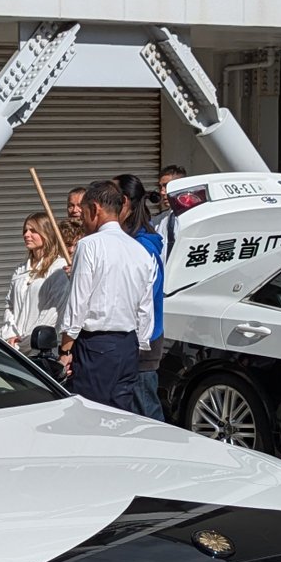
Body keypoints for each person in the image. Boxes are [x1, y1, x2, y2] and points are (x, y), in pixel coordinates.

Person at [57, 177, 157, 413]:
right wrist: (139, 343)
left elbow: (78, 303)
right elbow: (145, 307)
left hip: (96, 346)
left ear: (95, 209)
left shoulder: (89, 245)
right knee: (121, 415)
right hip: (128, 346)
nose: (82, 220)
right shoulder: (140, 250)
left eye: (83, 213)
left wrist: (65, 350)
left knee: (90, 414)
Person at [115, 172, 166, 420]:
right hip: (128, 339)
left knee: (146, 410)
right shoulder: (127, 242)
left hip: (143, 341)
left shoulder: (143, 246)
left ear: (124, 202)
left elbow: (144, 295)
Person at [2, 213, 70, 349]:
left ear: (47, 233)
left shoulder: (58, 268)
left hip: (41, 347)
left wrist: (27, 341)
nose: (26, 235)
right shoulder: (20, 269)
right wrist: (10, 335)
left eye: (33, 231)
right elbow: (9, 305)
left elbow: (53, 313)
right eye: (25, 231)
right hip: (14, 346)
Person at [154, 164, 187, 258]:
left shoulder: (191, 217)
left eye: (167, 186)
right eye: (161, 187)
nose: (162, 192)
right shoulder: (159, 220)